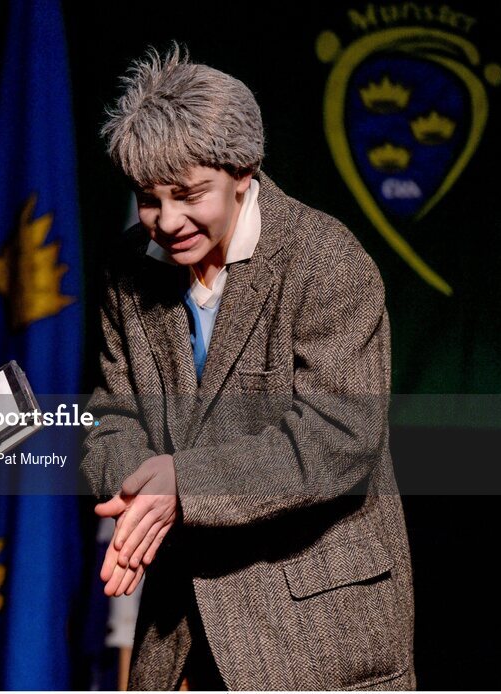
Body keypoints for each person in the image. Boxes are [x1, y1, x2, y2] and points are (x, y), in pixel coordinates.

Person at [81, 44, 415, 690]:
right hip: (182, 627)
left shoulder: (325, 262)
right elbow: (110, 414)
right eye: (148, 199)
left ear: (243, 172)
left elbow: (335, 441)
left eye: (187, 194)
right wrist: (137, 484)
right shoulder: (125, 270)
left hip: (318, 630)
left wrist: (183, 482)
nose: (166, 220)